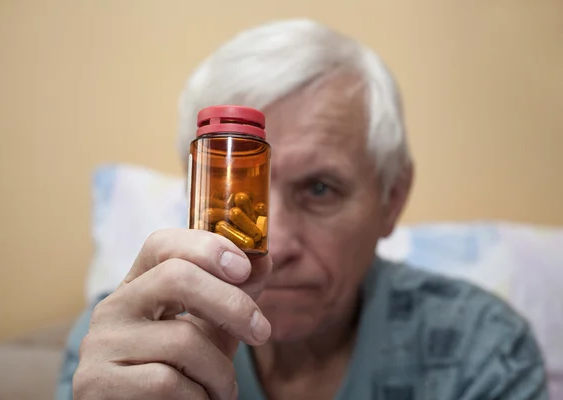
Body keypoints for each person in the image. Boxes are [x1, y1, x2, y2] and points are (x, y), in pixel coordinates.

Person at [57, 19, 548, 400]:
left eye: (319, 188)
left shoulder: (482, 352)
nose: (277, 245)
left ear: (392, 198)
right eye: (238, 196)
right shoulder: (128, 345)